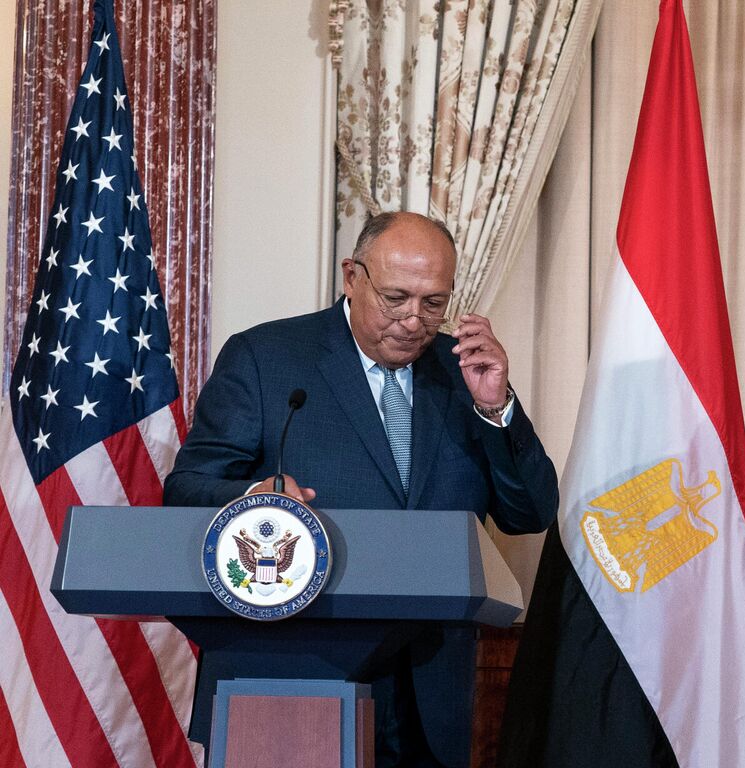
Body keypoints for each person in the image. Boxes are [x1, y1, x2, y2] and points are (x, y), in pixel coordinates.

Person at [165, 211, 559, 767]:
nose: (413, 320)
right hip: (293, 671)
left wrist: (497, 408)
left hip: (431, 687)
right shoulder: (266, 357)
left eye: (433, 303)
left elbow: (530, 512)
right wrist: (253, 497)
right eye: (396, 297)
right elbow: (186, 488)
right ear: (353, 276)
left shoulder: (463, 373)